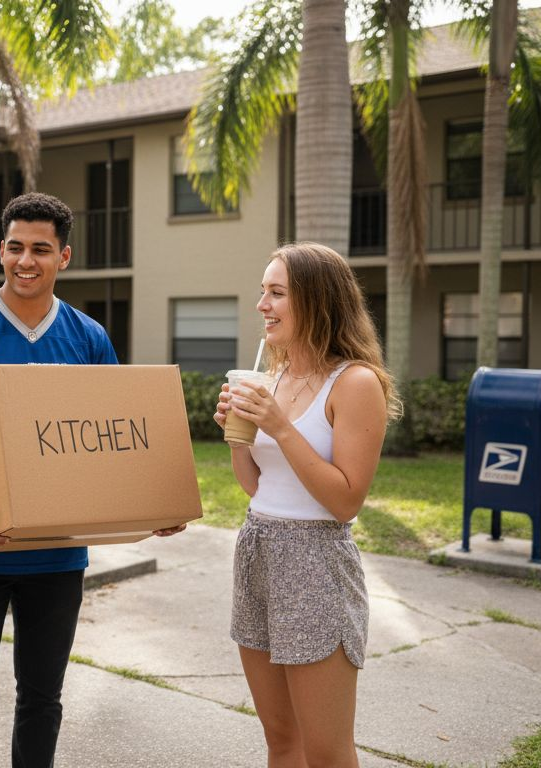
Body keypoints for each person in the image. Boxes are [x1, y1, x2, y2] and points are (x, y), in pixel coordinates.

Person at [0, 192, 184, 768]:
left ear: (65, 257)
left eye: (39, 249)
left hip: (57, 556)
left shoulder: (88, 338)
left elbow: (116, 437)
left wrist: (153, 502)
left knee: (43, 697)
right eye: (14, 247)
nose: (24, 261)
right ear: (0, 251)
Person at [215, 242, 401, 768]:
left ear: (317, 301)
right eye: (262, 292)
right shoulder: (273, 378)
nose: (262, 305)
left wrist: (278, 425)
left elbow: (344, 501)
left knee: (325, 751)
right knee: (281, 740)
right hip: (257, 549)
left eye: (276, 293)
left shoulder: (357, 383)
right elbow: (256, 486)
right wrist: (238, 437)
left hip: (315, 562)